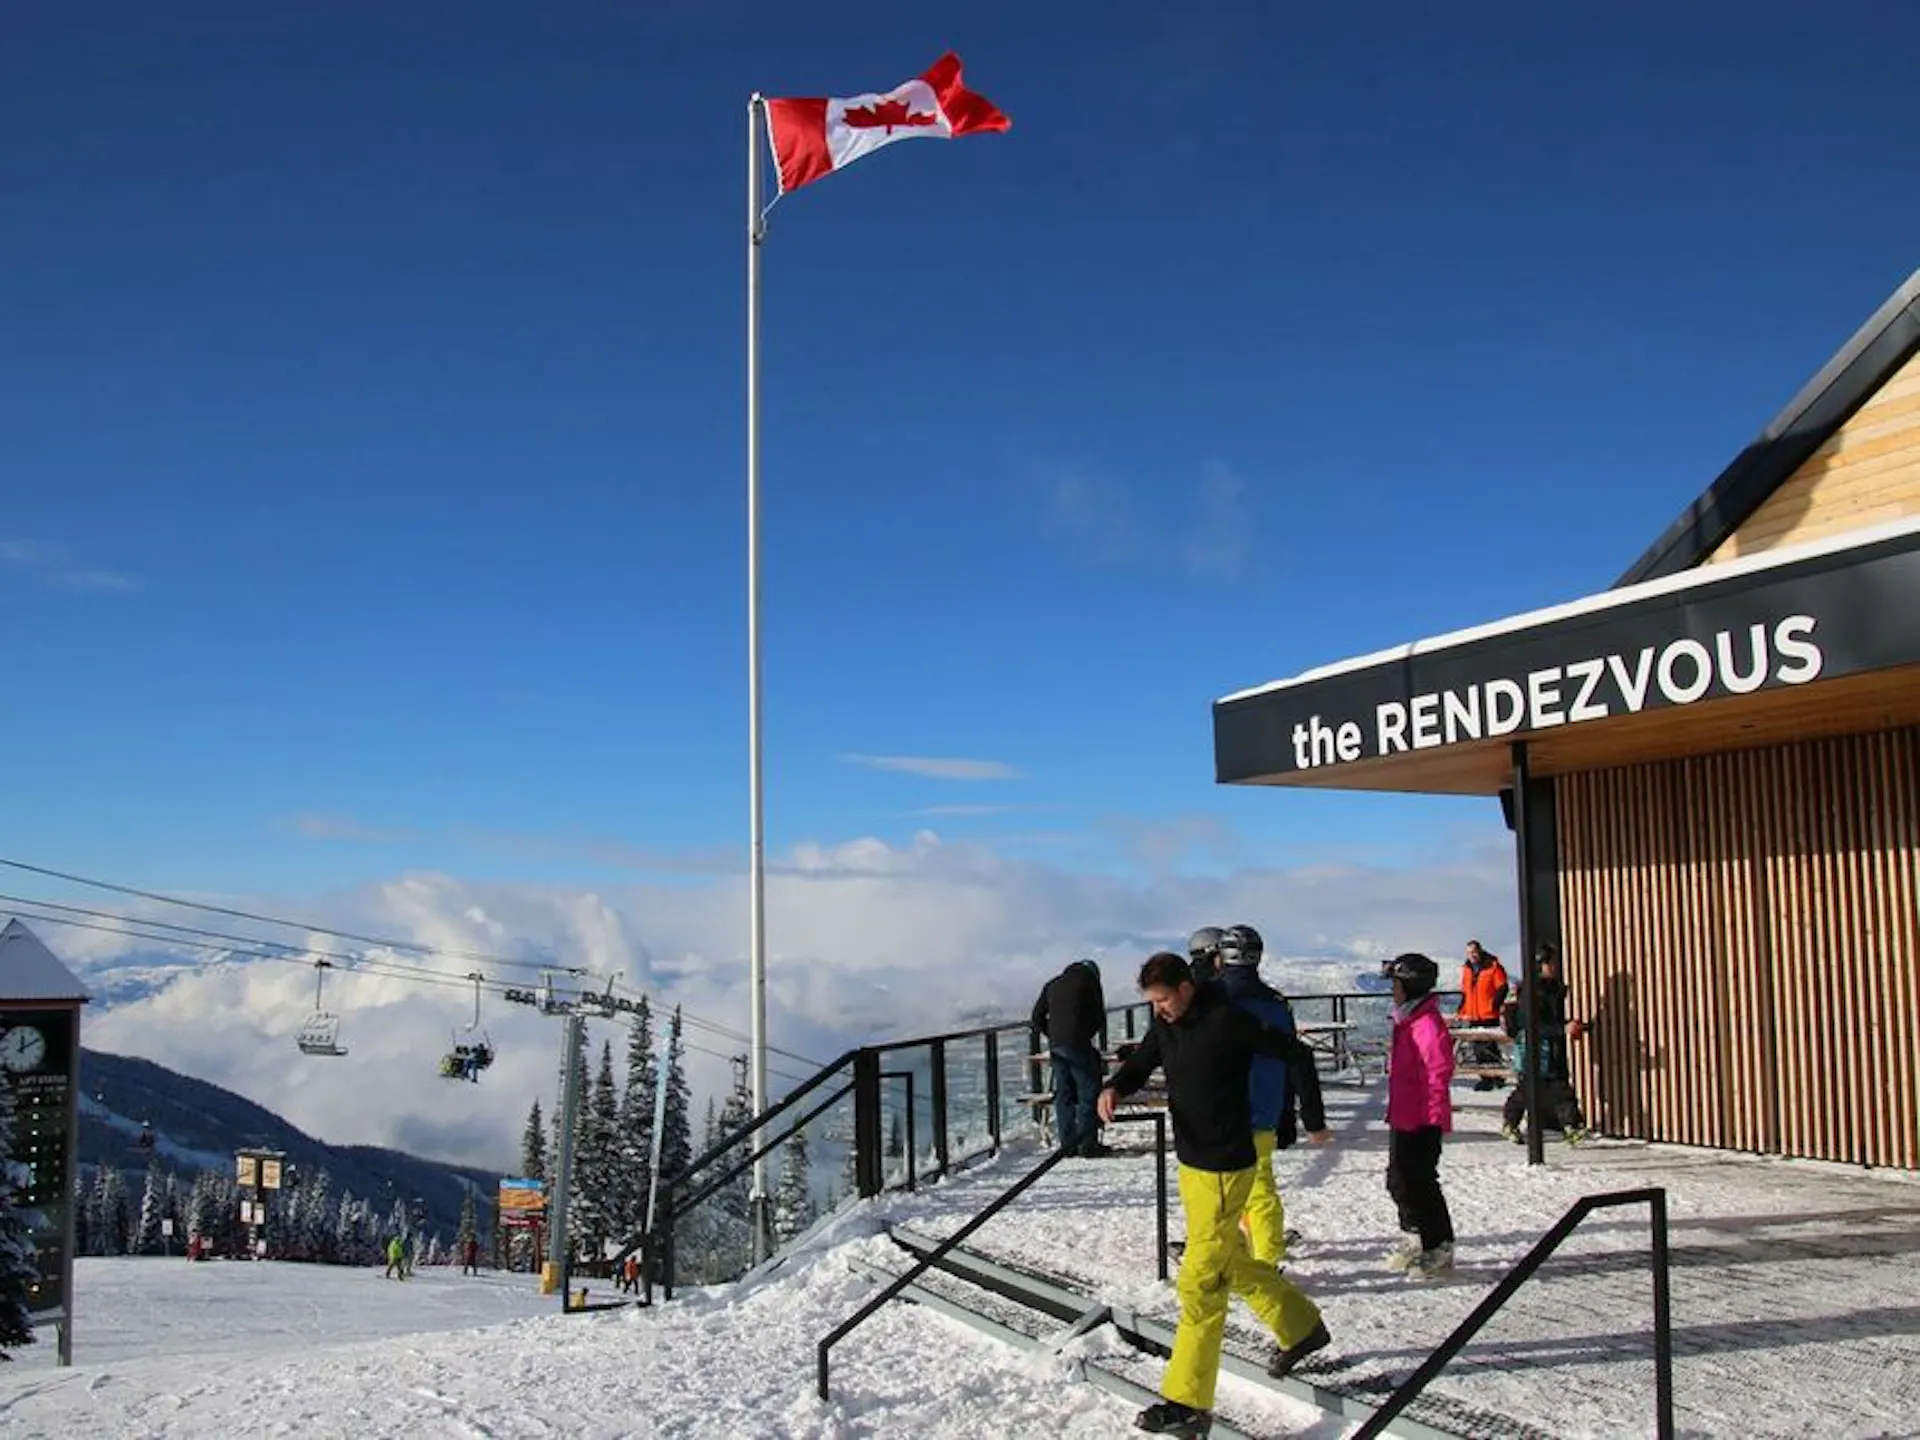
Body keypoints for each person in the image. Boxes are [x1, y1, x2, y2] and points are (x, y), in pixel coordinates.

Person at [1098, 952, 1331, 1438]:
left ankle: (1188, 1403)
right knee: (1228, 1258)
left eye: (1163, 999)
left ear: (1185, 987)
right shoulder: (1165, 1023)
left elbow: (1296, 1054)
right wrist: (1116, 1088)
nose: (1159, 1009)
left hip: (1227, 1166)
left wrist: (1313, 1120)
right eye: (1153, 1002)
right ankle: (1301, 1326)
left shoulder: (1227, 1019)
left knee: (1200, 1283)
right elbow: (1143, 1060)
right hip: (1192, 1165)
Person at [1214, 923, 1328, 1265]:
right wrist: (1310, 1119)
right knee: (1260, 1184)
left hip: (1217, 1106)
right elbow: (1295, 1058)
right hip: (1265, 1103)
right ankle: (1268, 1257)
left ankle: (1220, 1253)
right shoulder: (1276, 1004)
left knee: (1217, 1188)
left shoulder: (1208, 999)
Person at [1382, 952, 1456, 1279]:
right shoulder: (1406, 1019)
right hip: (1403, 1114)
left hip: (1422, 1118)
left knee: (1421, 1183)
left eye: (1396, 984)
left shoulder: (1425, 1024)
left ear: (1411, 986)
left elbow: (1438, 1073)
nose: (1392, 990)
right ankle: (1414, 1236)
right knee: (1398, 1180)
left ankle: (1439, 1246)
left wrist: (1432, 1117)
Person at [1501, 943, 1590, 1145]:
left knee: (1560, 1089)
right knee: (1527, 1091)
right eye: (1552, 962)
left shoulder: (1555, 988)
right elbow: (1533, 1024)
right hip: (1535, 1050)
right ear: (1540, 964)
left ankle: (1571, 1126)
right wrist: (1562, 1028)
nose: (1556, 966)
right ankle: (1511, 1123)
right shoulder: (1530, 992)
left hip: (1552, 1049)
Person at [1031, 958, 1109, 1158]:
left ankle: (1068, 1145)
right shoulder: (1090, 982)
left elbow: (1036, 1017)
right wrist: (1084, 1037)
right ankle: (1087, 1144)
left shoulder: (1053, 983)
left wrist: (1054, 1036)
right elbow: (1099, 1017)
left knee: (1063, 1094)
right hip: (1078, 1044)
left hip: (1057, 1046)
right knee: (1088, 1093)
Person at [1456, 940, 1510, 1089]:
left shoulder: (1493, 967)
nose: (1471, 955)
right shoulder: (1466, 969)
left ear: (1479, 951)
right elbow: (1465, 992)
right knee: (1477, 1048)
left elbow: (1502, 987)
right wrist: (1461, 1009)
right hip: (1473, 1014)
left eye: (1473, 952)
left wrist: (1494, 1005)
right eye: (1469, 953)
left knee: (1490, 1047)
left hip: (1488, 1014)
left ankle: (1497, 1076)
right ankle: (1485, 1078)